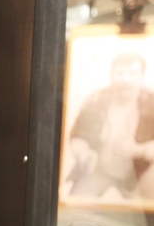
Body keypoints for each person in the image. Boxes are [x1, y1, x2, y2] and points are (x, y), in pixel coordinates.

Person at [65, 51, 154, 200]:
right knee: (75, 204)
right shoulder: (96, 100)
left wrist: (137, 150)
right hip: (99, 169)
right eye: (120, 73)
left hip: (140, 172)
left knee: (150, 214)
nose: (126, 79)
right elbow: (77, 136)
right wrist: (84, 153)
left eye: (132, 73)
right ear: (112, 75)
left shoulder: (152, 103)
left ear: (141, 76)